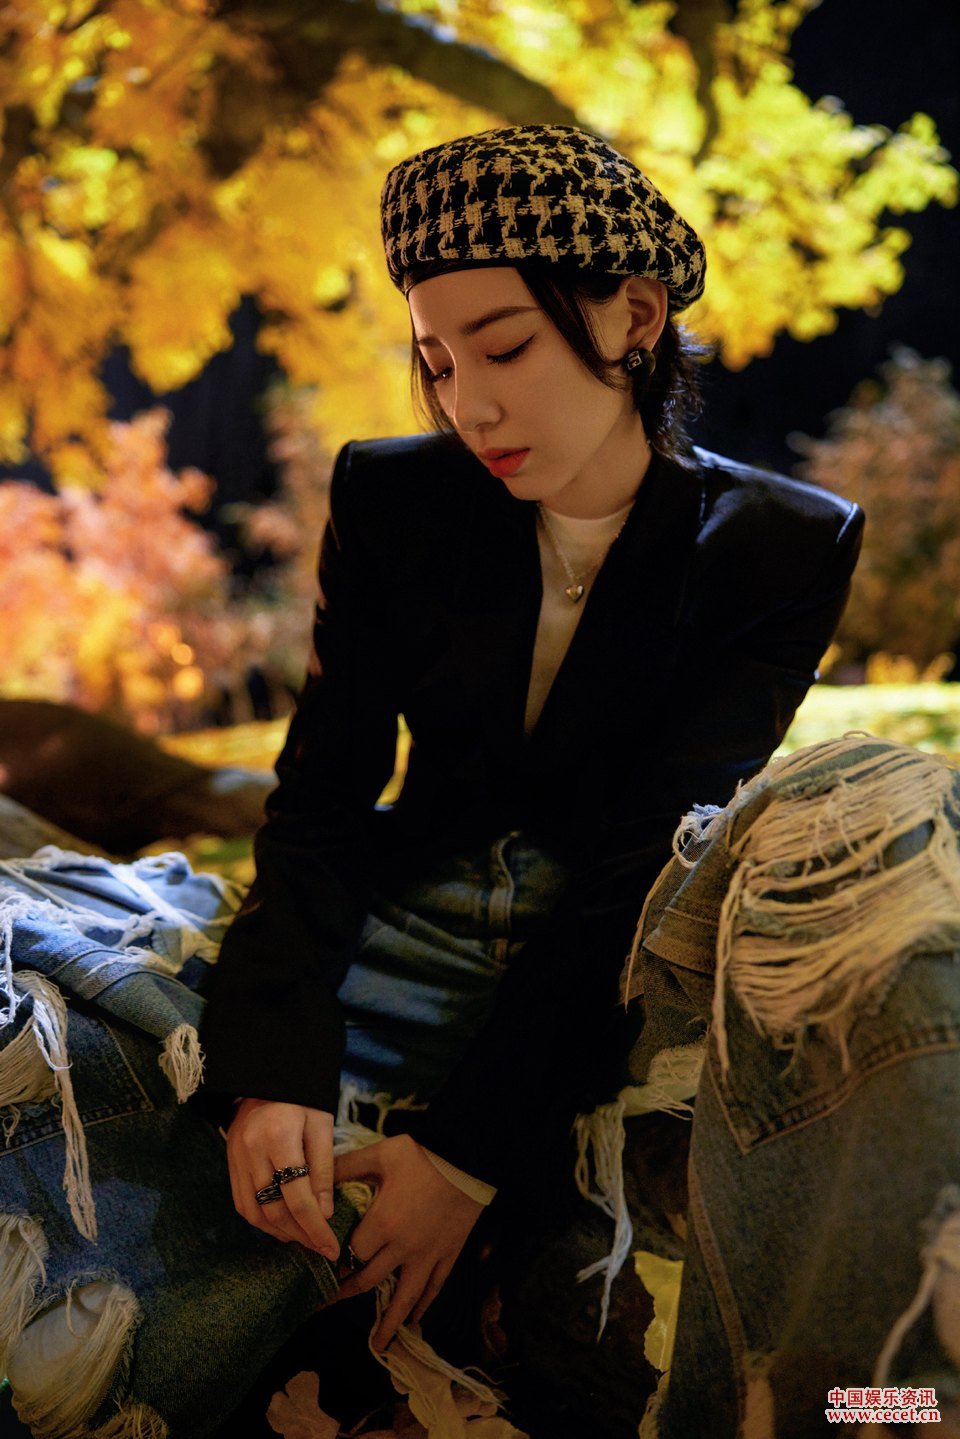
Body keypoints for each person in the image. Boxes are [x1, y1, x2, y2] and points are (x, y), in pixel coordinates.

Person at [198, 120, 864, 1386]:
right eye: (438, 360)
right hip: (409, 920)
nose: (470, 403)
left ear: (635, 316)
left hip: (612, 969)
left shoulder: (782, 545)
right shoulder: (392, 497)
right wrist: (271, 1066)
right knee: (210, 1210)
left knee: (685, 1319)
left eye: (504, 347)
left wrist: (463, 1157)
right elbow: (323, 791)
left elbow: (646, 862)